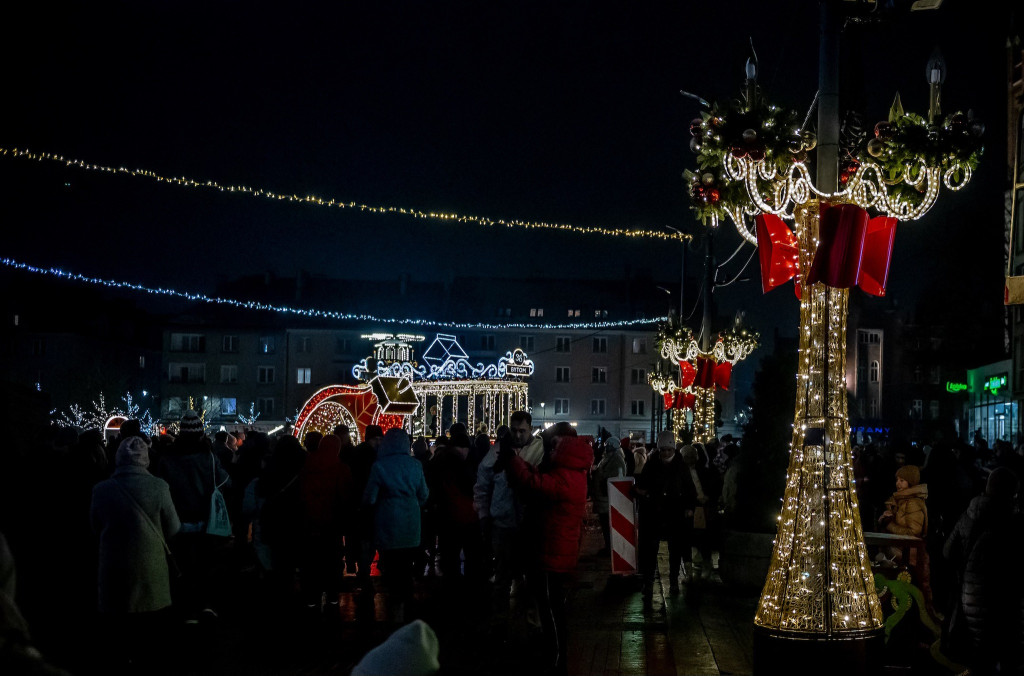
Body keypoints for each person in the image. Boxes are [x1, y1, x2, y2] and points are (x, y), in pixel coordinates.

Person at [496, 434, 591, 676]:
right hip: (554, 549)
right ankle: (554, 655)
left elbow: (533, 483)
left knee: (550, 608)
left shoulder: (565, 478)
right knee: (551, 606)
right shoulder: (572, 474)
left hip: (553, 552)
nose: (550, 453)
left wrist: (513, 460)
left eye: (555, 449)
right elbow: (538, 478)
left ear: (565, 453)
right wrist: (521, 462)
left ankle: (557, 659)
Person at [89, 437, 180, 667]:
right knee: (149, 634)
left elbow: (94, 527)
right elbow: (173, 527)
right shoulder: (159, 487)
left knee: (118, 633)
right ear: (146, 459)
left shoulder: (101, 490)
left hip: (113, 567)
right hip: (151, 569)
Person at [942, 467, 1022, 674]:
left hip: (969, 596)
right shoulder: (1013, 520)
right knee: (1003, 655)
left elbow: (948, 552)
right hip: (1003, 599)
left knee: (977, 659)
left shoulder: (969, 515)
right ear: (1012, 493)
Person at [153, 410, 231, 621]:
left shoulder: (167, 458)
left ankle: (185, 609)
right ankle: (205, 605)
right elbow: (225, 481)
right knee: (205, 566)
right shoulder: (209, 457)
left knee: (181, 566)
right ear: (200, 433)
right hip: (205, 521)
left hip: (176, 521)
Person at [474, 411, 545, 635]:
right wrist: (484, 515)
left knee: (532, 575)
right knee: (502, 575)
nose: (518, 435)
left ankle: (533, 622)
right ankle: (500, 620)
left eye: (522, 431)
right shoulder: (496, 452)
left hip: (530, 522)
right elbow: (482, 486)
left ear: (530, 428)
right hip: (503, 522)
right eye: (514, 430)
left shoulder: (540, 449)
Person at [363, 429, 429, 621]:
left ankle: (395, 609)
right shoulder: (415, 465)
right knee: (406, 568)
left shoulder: (379, 466)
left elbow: (370, 498)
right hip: (411, 524)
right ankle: (408, 610)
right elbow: (424, 494)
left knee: (391, 568)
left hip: (387, 524)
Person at [635, 431, 696, 595]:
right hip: (654, 513)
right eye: (663, 450)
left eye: (669, 450)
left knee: (674, 550)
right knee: (651, 550)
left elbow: (690, 489)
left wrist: (689, 507)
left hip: (675, 514)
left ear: (673, 449)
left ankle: (673, 581)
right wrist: (643, 493)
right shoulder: (652, 464)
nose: (666, 453)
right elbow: (643, 484)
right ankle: (648, 582)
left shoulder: (681, 466)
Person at [299, 433, 354, 615]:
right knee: (333, 560)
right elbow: (346, 498)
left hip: (310, 522)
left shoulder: (308, 465)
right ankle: (332, 597)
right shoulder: (341, 469)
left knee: (312, 561)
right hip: (332, 524)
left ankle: (312, 599)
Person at [341, 425, 383, 588]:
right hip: (368, 503)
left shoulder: (355, 453)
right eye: (377, 439)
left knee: (357, 537)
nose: (379, 442)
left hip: (355, 502)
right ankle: (364, 570)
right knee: (368, 538)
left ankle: (355, 564)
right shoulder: (375, 456)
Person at [877, 465, 928, 562]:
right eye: (897, 480)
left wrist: (889, 524)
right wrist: (885, 518)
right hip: (897, 550)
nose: (898, 483)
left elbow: (914, 532)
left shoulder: (913, 503)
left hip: (906, 555)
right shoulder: (899, 500)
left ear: (910, 482)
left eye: (902, 480)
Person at [591, 437, 626, 555]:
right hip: (604, 497)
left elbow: (616, 477)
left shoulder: (616, 459)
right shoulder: (609, 457)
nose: (605, 447)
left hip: (608, 497)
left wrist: (599, 472)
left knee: (608, 524)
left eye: (608, 445)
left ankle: (610, 548)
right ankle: (608, 547)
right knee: (605, 524)